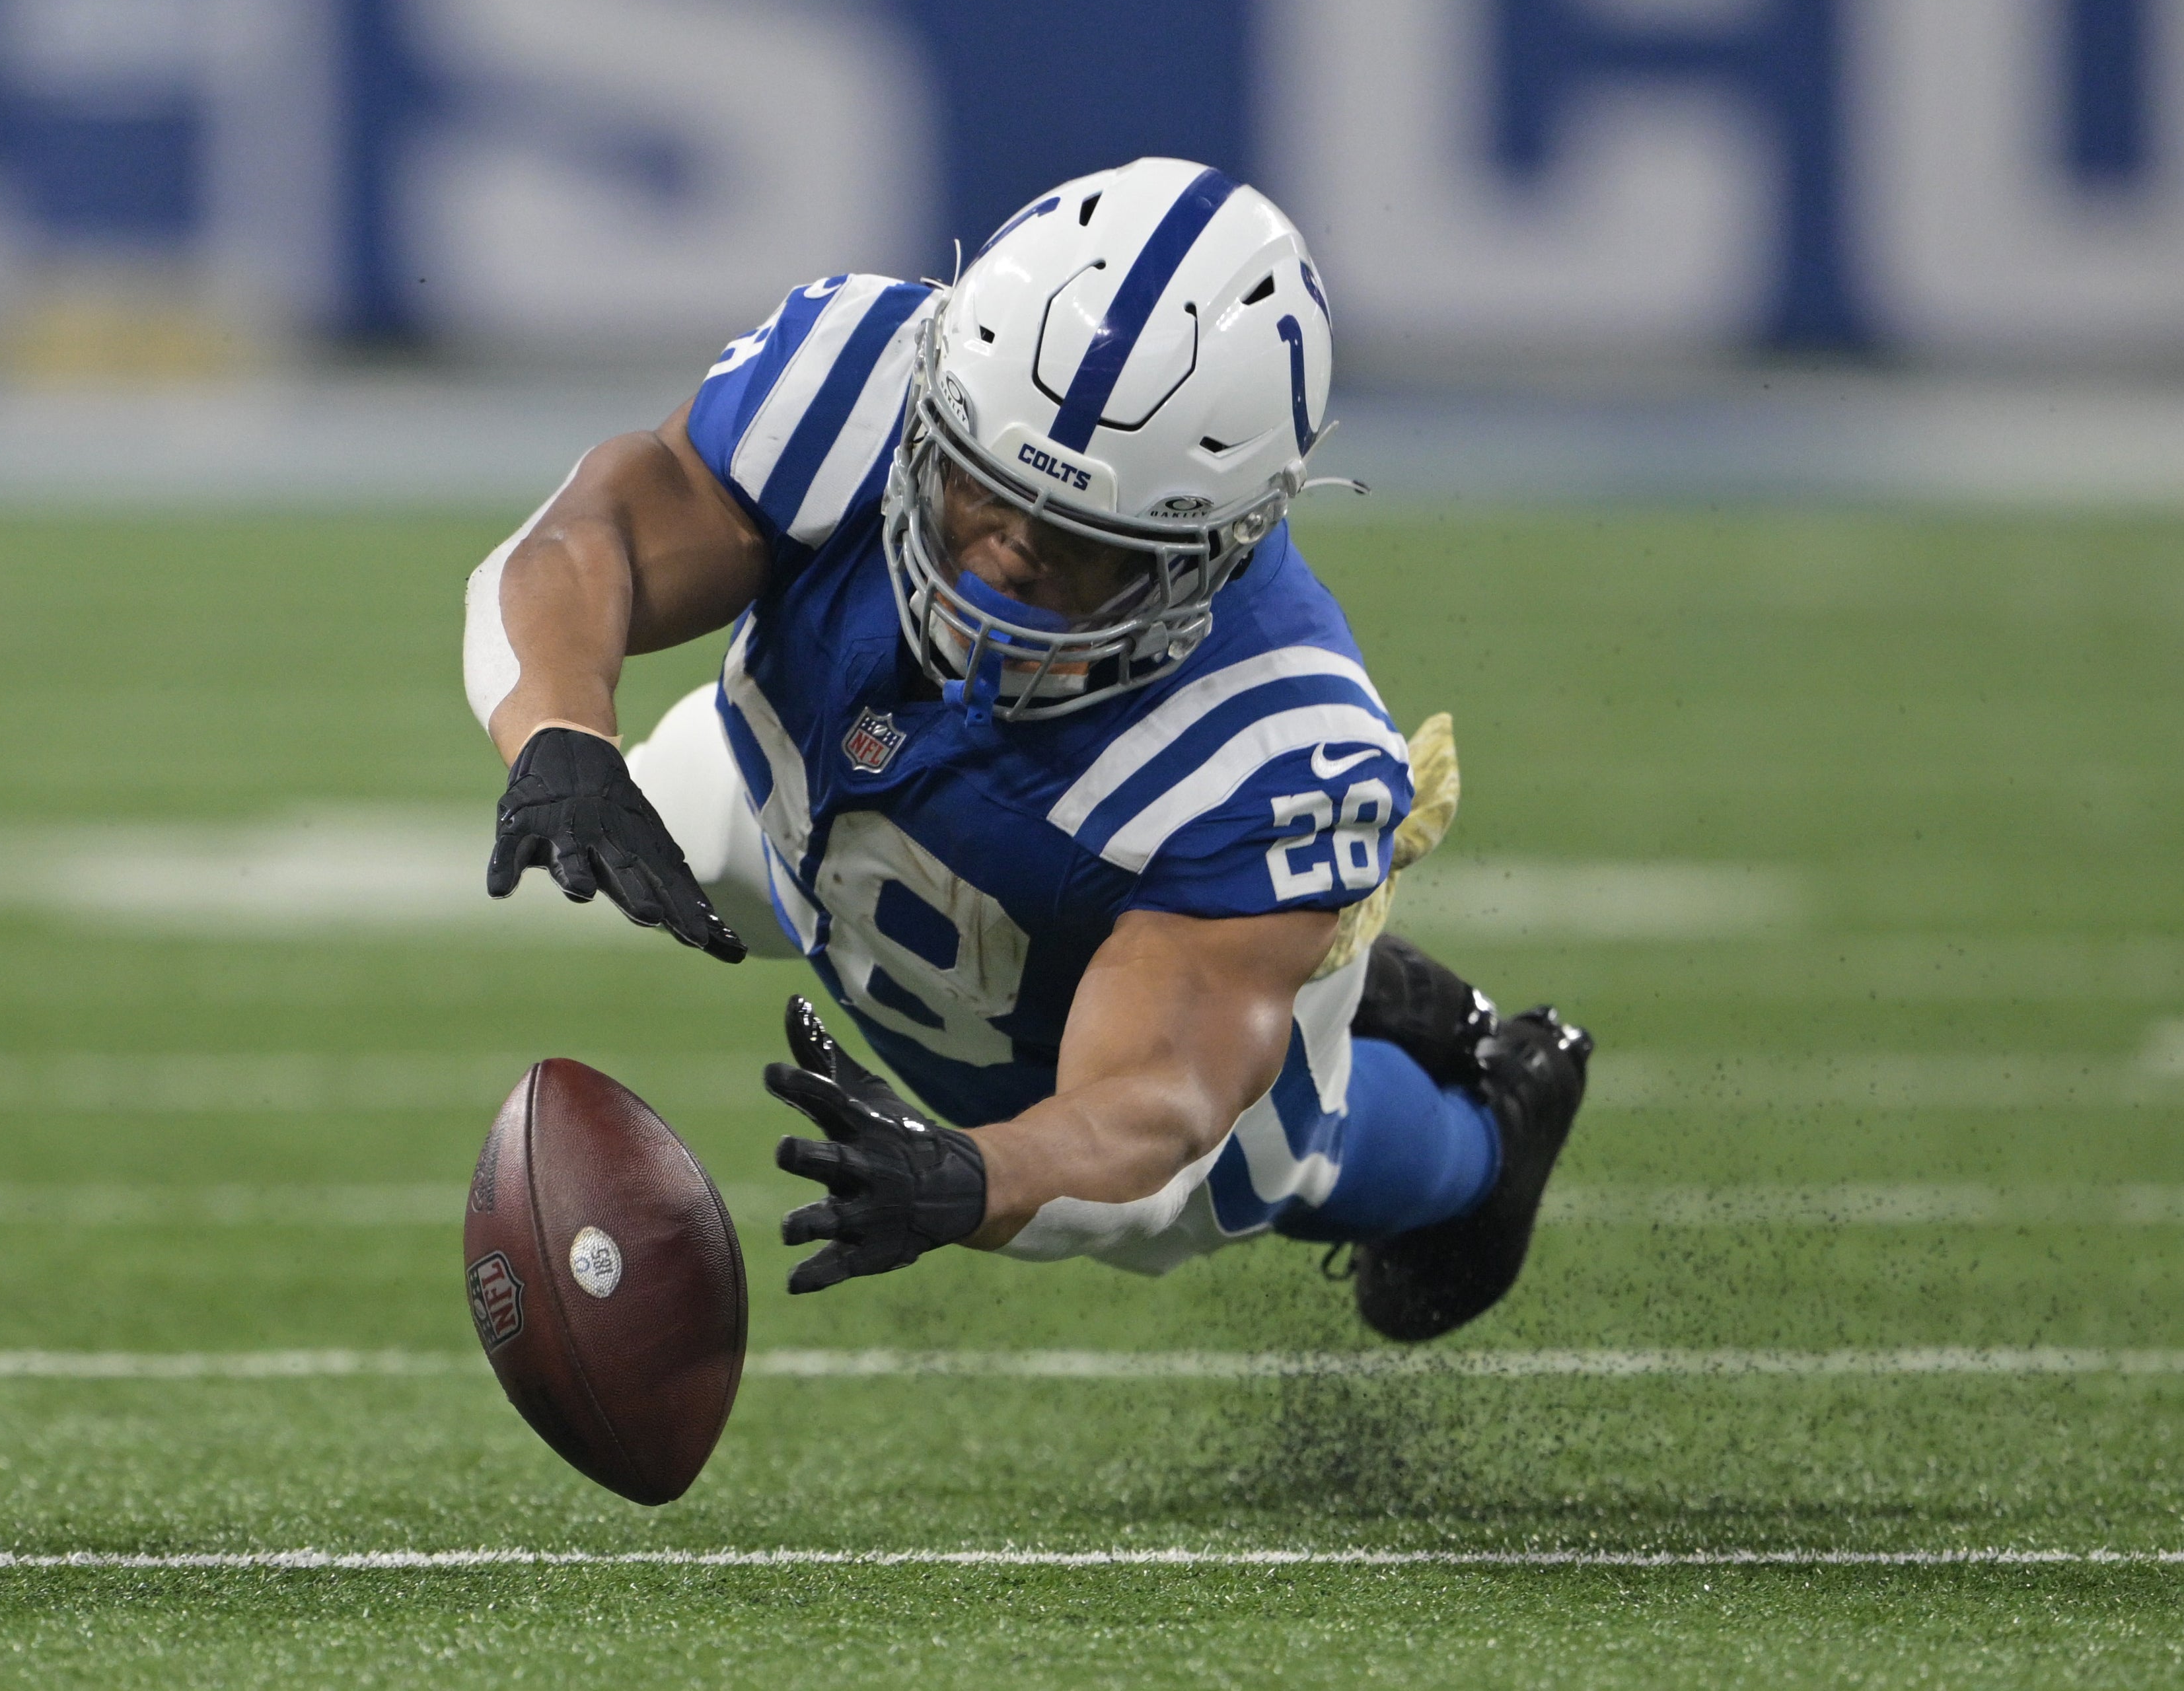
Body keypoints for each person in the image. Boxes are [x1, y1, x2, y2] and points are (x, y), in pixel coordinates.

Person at [462, 157, 1589, 1340]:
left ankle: (1488, 1131)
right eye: (979, 491)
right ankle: (1314, 960)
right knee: (656, 817)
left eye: (1073, 544)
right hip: (790, 799)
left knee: (1235, 1182)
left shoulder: (1264, 744)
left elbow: (1148, 1105)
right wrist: (559, 735)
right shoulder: (861, 376)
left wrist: (969, 1177)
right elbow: (593, 530)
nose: (998, 561)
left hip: (1080, 1001)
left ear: (1214, 549)